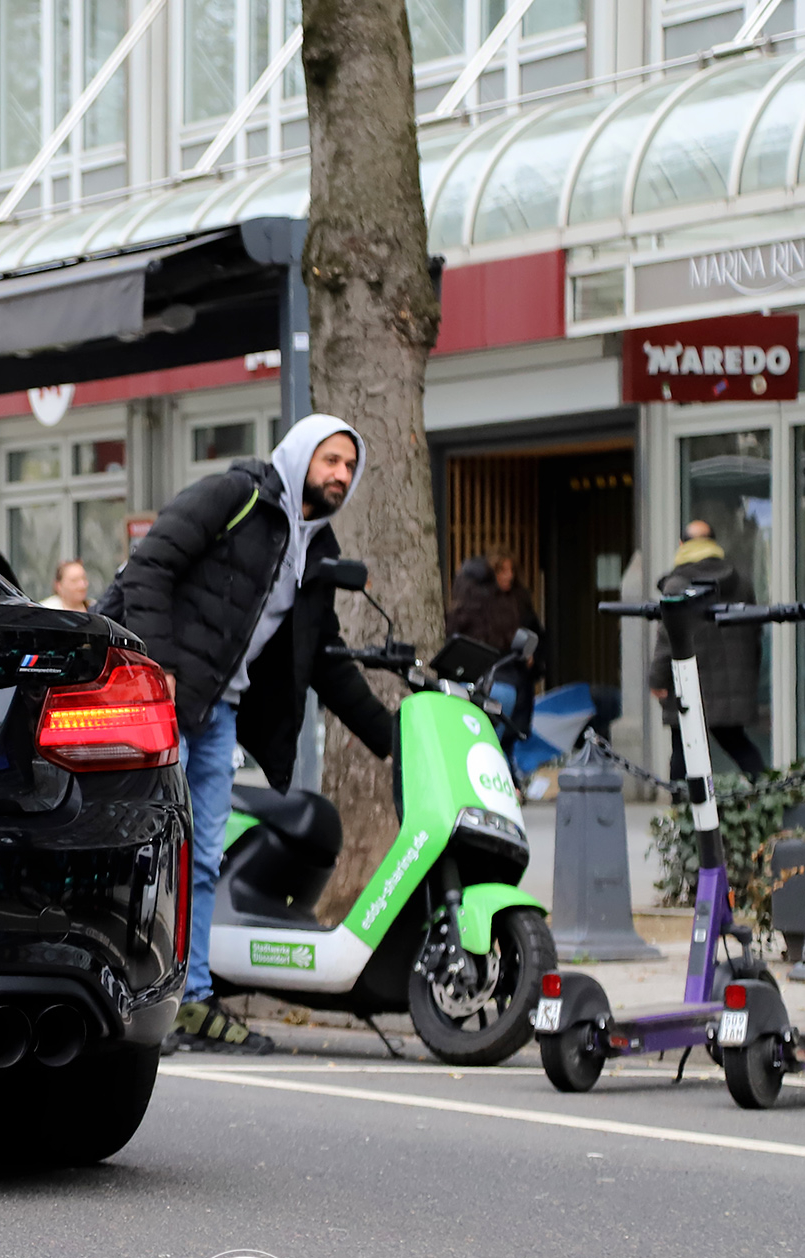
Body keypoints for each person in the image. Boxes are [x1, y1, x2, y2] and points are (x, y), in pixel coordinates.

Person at [96, 415, 397, 1054]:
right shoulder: (236, 497)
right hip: (151, 697)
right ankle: (115, 989)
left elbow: (322, 657)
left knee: (200, 859)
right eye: (330, 460)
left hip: (215, 714)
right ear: (299, 454)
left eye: (350, 466)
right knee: (134, 848)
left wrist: (392, 738)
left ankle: (190, 999)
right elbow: (149, 569)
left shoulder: (319, 550)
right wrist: (163, 667)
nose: (340, 474)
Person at [645, 519, 767, 779]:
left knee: (682, 748)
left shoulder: (677, 584)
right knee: (737, 743)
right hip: (730, 685)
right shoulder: (740, 582)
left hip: (688, 679)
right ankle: (771, 802)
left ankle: (680, 812)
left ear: (681, 545)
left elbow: (668, 637)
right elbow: (755, 633)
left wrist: (657, 679)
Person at [445, 551, 544, 752]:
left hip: (471, 689)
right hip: (508, 689)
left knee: (474, 751)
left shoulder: (461, 613)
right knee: (498, 751)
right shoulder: (508, 608)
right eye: (503, 570)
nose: (509, 576)